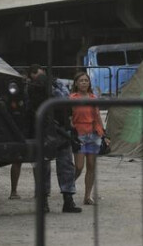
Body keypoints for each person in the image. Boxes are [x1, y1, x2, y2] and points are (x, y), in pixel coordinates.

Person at [25, 66, 82, 213]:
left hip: (60, 131)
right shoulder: (31, 89)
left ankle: (67, 200)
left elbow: (64, 101)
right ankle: (44, 201)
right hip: (43, 132)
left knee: (66, 167)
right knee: (44, 168)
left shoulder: (57, 85)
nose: (40, 76)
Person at [70, 70, 107, 205]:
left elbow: (97, 117)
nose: (84, 83)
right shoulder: (72, 98)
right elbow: (68, 116)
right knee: (79, 166)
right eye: (81, 81)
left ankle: (87, 196)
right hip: (78, 134)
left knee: (91, 166)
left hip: (93, 134)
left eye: (86, 80)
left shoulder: (93, 98)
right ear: (76, 83)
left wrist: (104, 134)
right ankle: (68, 186)